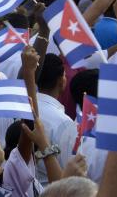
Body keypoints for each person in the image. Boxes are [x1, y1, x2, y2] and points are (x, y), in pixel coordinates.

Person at [35, 54, 78, 186]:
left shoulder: (23, 108)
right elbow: (68, 173)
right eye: (64, 75)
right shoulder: (64, 123)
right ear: (61, 81)